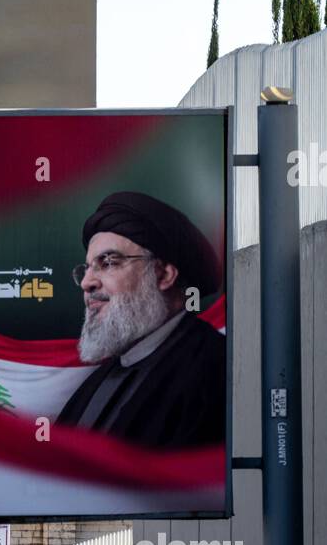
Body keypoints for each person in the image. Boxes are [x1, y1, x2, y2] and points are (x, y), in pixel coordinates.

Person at [56, 190, 225, 448]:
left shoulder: (214, 368)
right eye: (88, 267)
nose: (88, 282)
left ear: (163, 275)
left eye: (108, 262)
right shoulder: (104, 375)